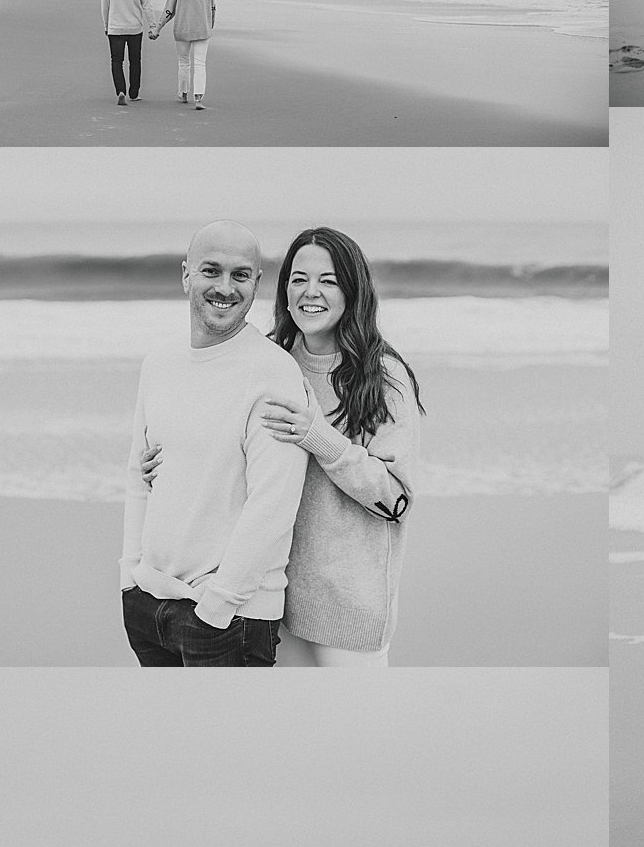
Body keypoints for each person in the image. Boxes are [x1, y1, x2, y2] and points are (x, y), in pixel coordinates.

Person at [143, 227, 424, 666]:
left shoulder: (382, 377)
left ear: (354, 290)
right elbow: (230, 451)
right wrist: (169, 463)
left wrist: (322, 439)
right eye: (298, 278)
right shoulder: (273, 362)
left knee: (358, 732)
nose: (311, 292)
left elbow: (396, 499)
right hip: (271, 602)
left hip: (347, 613)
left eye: (328, 280)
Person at [120, 220, 309, 667]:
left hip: (228, 620)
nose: (225, 287)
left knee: (226, 739)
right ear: (186, 275)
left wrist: (218, 607)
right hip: (149, 605)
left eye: (240, 275)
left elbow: (274, 504)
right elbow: (138, 473)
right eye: (211, 271)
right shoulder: (160, 363)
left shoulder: (273, 372)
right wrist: (129, 577)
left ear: (257, 283)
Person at [152, 0, 216, 109]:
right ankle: (199, 98)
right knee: (200, 64)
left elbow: (169, 10)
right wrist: (210, 25)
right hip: (202, 30)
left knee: (184, 62)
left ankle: (183, 93)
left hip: (182, 30)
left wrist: (157, 28)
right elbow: (213, 8)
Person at [101, 0, 157, 106]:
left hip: (115, 28)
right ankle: (134, 93)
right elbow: (147, 7)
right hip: (134, 29)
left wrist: (106, 26)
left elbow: (105, 7)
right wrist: (153, 26)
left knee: (117, 61)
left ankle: (120, 91)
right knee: (135, 61)